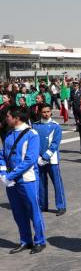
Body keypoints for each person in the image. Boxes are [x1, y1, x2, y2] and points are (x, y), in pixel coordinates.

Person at [0, 105, 46, 254]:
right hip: (10, 181)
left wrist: (10, 176)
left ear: (16, 118)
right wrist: (2, 173)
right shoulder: (8, 133)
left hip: (27, 179)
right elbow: (2, 154)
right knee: (18, 212)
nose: (6, 119)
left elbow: (30, 160)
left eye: (8, 116)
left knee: (34, 211)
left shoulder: (32, 134)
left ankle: (40, 241)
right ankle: (25, 240)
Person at [34, 104, 67, 215]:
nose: (46, 114)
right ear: (40, 112)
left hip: (52, 160)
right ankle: (43, 205)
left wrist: (45, 157)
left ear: (51, 112)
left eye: (48, 111)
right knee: (41, 183)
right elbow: (34, 143)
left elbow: (55, 144)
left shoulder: (55, 126)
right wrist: (38, 157)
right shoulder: (35, 126)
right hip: (38, 160)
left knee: (57, 183)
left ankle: (61, 206)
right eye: (44, 112)